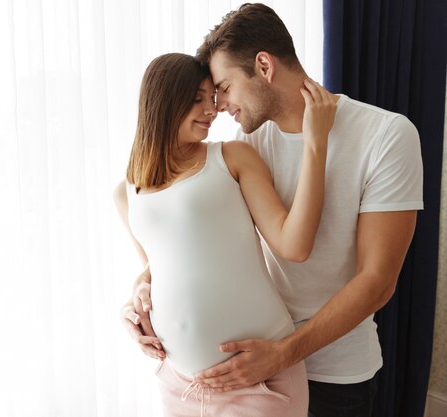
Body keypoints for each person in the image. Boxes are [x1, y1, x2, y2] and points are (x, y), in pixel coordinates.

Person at [122, 4, 424, 417]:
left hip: (335, 373)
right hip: (243, 365)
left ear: (263, 65)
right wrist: (142, 291)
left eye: (224, 87)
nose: (219, 105)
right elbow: (199, 241)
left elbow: (377, 281)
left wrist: (282, 355)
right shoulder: (249, 144)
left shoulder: (387, 135)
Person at [114, 52, 335, 416]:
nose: (211, 109)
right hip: (179, 384)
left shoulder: (232, 157)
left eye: (212, 98)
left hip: (259, 383)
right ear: (163, 101)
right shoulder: (126, 193)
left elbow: (294, 245)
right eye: (197, 98)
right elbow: (162, 269)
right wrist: (132, 307)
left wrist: (316, 143)